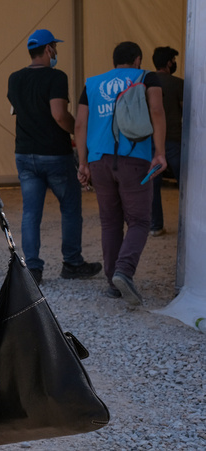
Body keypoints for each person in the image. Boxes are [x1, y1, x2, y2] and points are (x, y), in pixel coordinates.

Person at [75, 41, 167, 306]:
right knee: (139, 220)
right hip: (134, 158)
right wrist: (159, 152)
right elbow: (157, 110)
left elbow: (80, 124)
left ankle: (112, 283)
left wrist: (83, 162)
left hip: (99, 160)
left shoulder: (92, 84)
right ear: (137, 59)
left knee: (110, 222)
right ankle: (124, 272)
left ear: (115, 61)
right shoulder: (145, 77)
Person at [6, 28, 101, 284]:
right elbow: (59, 114)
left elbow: (16, 110)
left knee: (31, 213)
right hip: (55, 154)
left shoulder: (14, 78)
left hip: (25, 154)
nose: (55, 52)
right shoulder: (56, 77)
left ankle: (33, 270)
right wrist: (78, 132)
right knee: (70, 208)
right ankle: (72, 262)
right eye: (54, 48)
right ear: (49, 49)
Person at [148, 46, 183, 236]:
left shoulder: (145, 82)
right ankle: (189, 226)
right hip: (175, 141)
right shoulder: (178, 84)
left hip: (151, 141)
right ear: (169, 63)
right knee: (185, 184)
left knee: (153, 185)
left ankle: (156, 226)